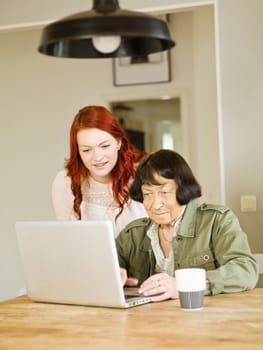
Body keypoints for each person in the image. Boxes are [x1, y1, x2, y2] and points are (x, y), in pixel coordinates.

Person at [116, 149, 259, 302]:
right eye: (148, 194)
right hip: (150, 322)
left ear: (182, 189)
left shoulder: (217, 220)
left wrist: (186, 284)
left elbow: (245, 270)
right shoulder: (132, 233)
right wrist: (113, 275)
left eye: (164, 192)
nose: (155, 205)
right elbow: (105, 269)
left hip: (205, 320)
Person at [52, 105, 147, 236]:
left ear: (118, 142)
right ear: (78, 150)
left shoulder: (144, 173)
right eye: (86, 150)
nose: (97, 157)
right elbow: (68, 239)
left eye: (105, 146)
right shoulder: (65, 182)